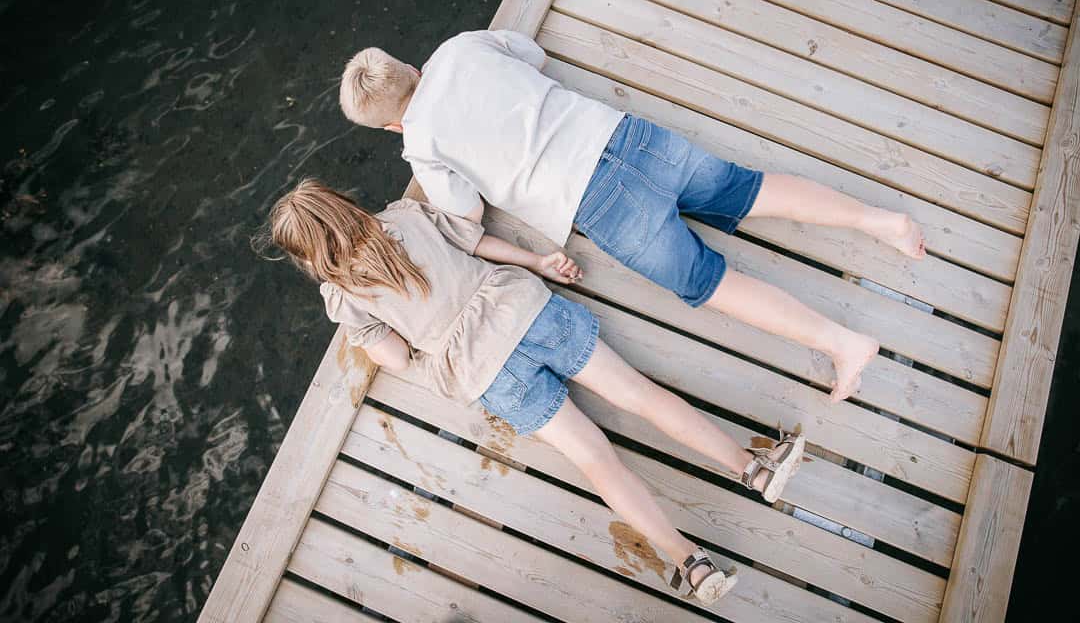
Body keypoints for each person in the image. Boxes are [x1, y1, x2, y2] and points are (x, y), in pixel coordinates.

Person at [260, 179, 808, 604]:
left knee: (596, 461)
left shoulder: (343, 297)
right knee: (640, 396)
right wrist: (540, 261)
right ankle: (754, 469)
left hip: (485, 371)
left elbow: (396, 358)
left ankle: (692, 563)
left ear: (307, 255)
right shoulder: (405, 216)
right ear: (342, 204)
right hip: (525, 309)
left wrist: (435, 352)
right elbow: (480, 243)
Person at [338, 31, 927, 402]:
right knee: (748, 189)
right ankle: (882, 222)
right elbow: (532, 55)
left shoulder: (422, 145)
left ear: (391, 125)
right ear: (408, 65)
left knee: (708, 282)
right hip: (622, 135)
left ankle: (842, 342)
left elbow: (464, 213)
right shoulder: (462, 48)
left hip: (597, 204)